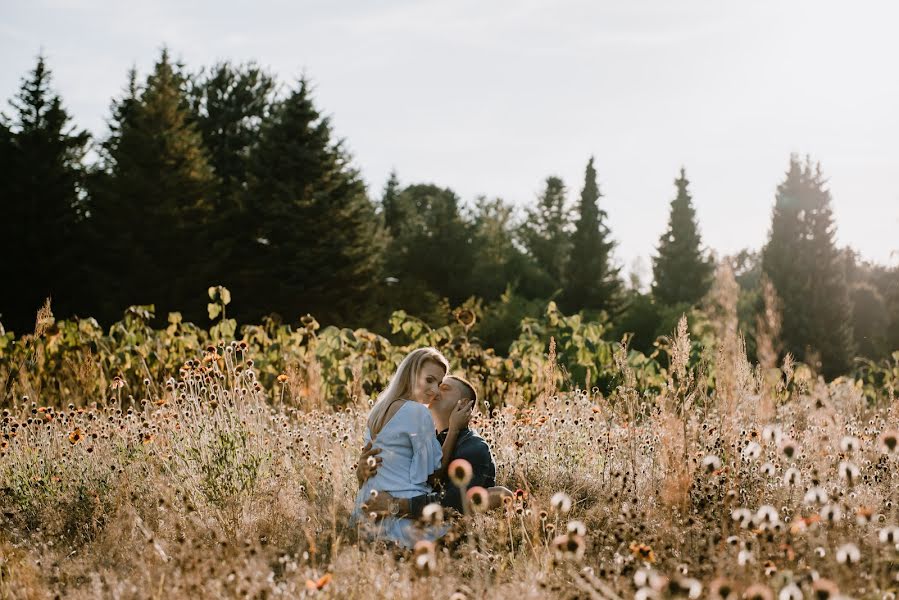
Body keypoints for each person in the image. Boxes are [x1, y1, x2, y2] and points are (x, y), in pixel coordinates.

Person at [351, 347, 470, 548]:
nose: (434, 390)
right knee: (466, 533)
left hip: (365, 513)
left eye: (439, 384)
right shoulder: (416, 412)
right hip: (399, 517)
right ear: (411, 373)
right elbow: (432, 475)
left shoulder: (377, 410)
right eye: (429, 380)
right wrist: (454, 429)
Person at [358, 374, 512, 519]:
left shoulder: (474, 447)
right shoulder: (421, 441)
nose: (435, 391)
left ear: (464, 404)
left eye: (445, 388)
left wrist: (395, 506)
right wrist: (363, 476)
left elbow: (455, 502)